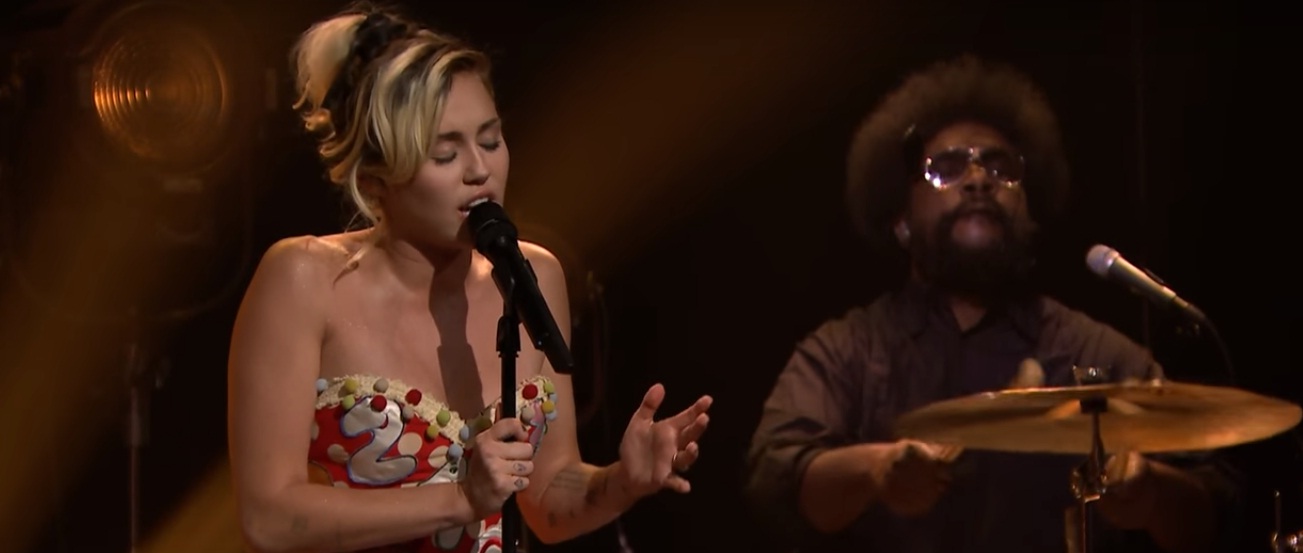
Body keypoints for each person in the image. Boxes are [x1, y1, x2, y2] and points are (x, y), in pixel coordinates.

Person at [225, 3, 713, 552]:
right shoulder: (304, 280)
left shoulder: (532, 275)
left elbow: (547, 501)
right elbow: (267, 519)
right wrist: (460, 498)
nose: (480, 170)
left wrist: (622, 482)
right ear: (375, 175)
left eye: (490, 140)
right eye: (445, 153)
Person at [742, 55, 1242, 553]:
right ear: (902, 221)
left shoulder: (1097, 353)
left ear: (1029, 208)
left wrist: (1151, 494)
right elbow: (776, 481)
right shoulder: (844, 353)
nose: (979, 179)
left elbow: (1213, 510)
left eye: (1001, 167)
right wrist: (877, 470)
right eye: (946, 168)